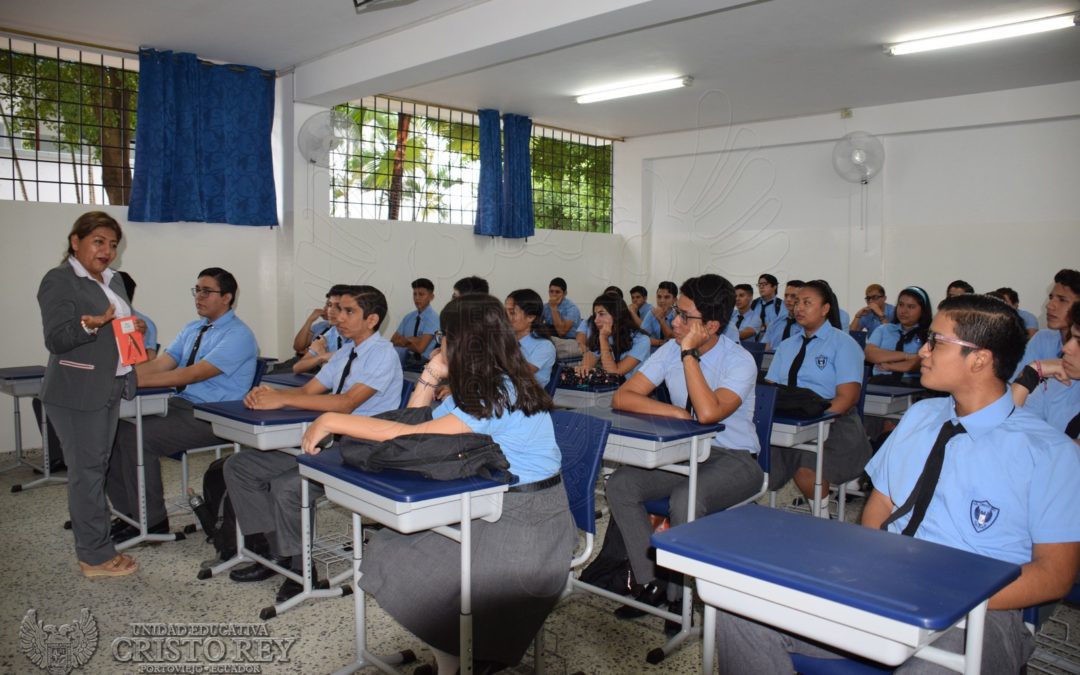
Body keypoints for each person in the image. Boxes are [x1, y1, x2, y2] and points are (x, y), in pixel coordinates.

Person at [716, 294, 1080, 674]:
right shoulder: (921, 416)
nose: (923, 350)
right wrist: (880, 572)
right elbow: (880, 507)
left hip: (981, 610)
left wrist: (948, 597)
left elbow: (1054, 574)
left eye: (936, 341)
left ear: (979, 358)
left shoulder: (1048, 452)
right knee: (740, 612)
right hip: (886, 581)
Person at [300, 295, 573, 674]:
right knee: (392, 550)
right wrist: (431, 374)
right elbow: (414, 423)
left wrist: (332, 419)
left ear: (460, 341)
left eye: (443, 336)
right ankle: (452, 657)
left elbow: (409, 434)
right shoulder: (484, 383)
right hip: (489, 503)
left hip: (529, 521)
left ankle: (458, 661)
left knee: (427, 575)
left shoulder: (497, 393)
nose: (438, 341)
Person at [225, 285, 402, 602]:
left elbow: (347, 403)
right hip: (338, 448)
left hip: (368, 453)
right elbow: (309, 392)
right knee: (240, 466)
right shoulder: (347, 351)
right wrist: (271, 396)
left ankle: (303, 571)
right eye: (339, 309)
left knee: (288, 487)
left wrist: (280, 401)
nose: (338, 317)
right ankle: (273, 551)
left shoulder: (383, 354)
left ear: (372, 319)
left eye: (349, 311)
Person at [606, 274, 761, 618]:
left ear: (711, 325)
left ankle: (683, 600)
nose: (674, 322)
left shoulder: (739, 361)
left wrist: (689, 353)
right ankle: (653, 582)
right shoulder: (671, 351)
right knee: (620, 484)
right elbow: (624, 395)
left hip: (733, 458)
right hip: (685, 453)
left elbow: (708, 413)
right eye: (676, 311)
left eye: (684, 317)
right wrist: (675, 411)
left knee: (684, 499)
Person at [107, 267, 258, 541]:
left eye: (206, 291)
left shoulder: (238, 335)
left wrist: (131, 383)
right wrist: (120, 376)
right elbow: (162, 364)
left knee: (135, 436)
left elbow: (191, 374)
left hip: (216, 415)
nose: (198, 296)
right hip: (182, 405)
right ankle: (126, 514)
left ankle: (150, 522)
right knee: (115, 430)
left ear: (226, 297)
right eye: (196, 290)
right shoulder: (193, 328)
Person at [38, 212, 143, 577]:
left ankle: (96, 547)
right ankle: (95, 557)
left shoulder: (113, 281)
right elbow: (57, 337)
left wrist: (133, 327)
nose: (107, 250)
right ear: (75, 241)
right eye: (98, 241)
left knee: (96, 469)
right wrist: (89, 325)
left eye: (113, 244)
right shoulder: (60, 280)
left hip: (108, 386)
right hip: (76, 391)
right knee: (88, 474)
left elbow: (117, 327)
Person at [764, 280, 870, 512]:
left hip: (835, 426)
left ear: (825, 309)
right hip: (787, 424)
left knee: (806, 465)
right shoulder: (787, 345)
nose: (798, 307)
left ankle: (821, 518)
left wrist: (812, 422)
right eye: (796, 302)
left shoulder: (844, 344)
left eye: (807, 303)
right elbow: (770, 390)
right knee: (749, 460)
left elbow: (848, 398)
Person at [1011, 300, 1079, 440]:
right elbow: (1007, 428)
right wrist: (1032, 371)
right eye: (1071, 337)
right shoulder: (1061, 383)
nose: (1066, 348)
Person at [1012, 269, 1080, 379]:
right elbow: (1017, 379)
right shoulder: (1043, 338)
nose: (1049, 305)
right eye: (1051, 297)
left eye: (1062, 300)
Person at [864, 286, 932, 385]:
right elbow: (870, 354)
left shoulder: (929, 334)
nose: (903, 311)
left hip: (912, 384)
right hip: (879, 382)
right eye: (901, 305)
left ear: (923, 311)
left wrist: (890, 366)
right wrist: (908, 356)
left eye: (911, 307)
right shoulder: (884, 329)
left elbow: (921, 362)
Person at [576, 293, 652, 379]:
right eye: (595, 315)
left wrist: (603, 338)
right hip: (613, 388)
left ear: (617, 315)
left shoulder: (642, 340)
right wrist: (584, 366)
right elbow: (593, 354)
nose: (596, 320)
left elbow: (614, 372)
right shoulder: (608, 333)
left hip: (636, 390)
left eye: (601, 314)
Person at [291, 284, 349, 375]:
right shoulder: (331, 333)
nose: (331, 310)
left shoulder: (357, 337)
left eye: (338, 306)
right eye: (329, 305)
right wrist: (322, 357)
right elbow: (297, 367)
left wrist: (321, 353)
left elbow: (338, 377)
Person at [505, 288, 557, 388]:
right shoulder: (507, 340)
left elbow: (522, 372)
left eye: (512, 313)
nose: (505, 317)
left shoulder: (544, 346)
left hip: (529, 398)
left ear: (531, 317)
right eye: (504, 312)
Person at [390, 277, 439, 366]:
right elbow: (393, 340)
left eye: (421, 294)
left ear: (431, 297)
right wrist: (412, 340)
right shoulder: (408, 317)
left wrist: (406, 340)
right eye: (414, 294)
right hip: (405, 357)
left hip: (422, 361)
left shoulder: (433, 319)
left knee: (397, 351)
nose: (417, 298)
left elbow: (420, 348)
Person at [763, 280, 804, 350]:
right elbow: (764, 347)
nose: (788, 299)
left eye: (793, 296)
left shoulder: (807, 325)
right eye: (786, 295)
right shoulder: (775, 323)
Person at [641, 280, 678, 347]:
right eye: (659, 297)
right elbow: (641, 337)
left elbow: (673, 339)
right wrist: (660, 343)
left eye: (667, 297)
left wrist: (661, 320)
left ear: (674, 300)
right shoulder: (651, 313)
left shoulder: (678, 315)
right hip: (653, 354)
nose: (662, 301)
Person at [751, 273, 785, 339]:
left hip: (772, 344)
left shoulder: (782, 305)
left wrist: (767, 327)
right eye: (759, 285)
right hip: (752, 344)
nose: (761, 287)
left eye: (765, 284)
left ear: (774, 286)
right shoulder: (753, 304)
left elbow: (783, 327)